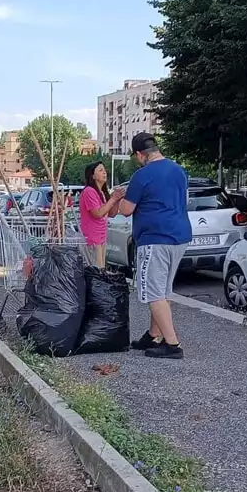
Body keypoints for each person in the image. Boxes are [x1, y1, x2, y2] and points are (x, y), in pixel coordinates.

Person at [112, 133, 192, 359]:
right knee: (163, 289)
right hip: (180, 236)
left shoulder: (142, 175)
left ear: (140, 154)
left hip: (155, 238)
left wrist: (119, 198)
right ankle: (153, 334)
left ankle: (172, 344)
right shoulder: (179, 171)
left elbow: (126, 210)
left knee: (153, 291)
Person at [79, 161, 120, 267]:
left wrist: (117, 200)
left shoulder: (102, 192)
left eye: (105, 170)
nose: (104, 173)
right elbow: (97, 213)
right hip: (92, 239)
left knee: (101, 271)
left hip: (101, 238)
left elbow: (111, 213)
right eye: (100, 170)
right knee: (95, 271)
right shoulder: (89, 191)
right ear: (92, 176)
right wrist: (113, 199)